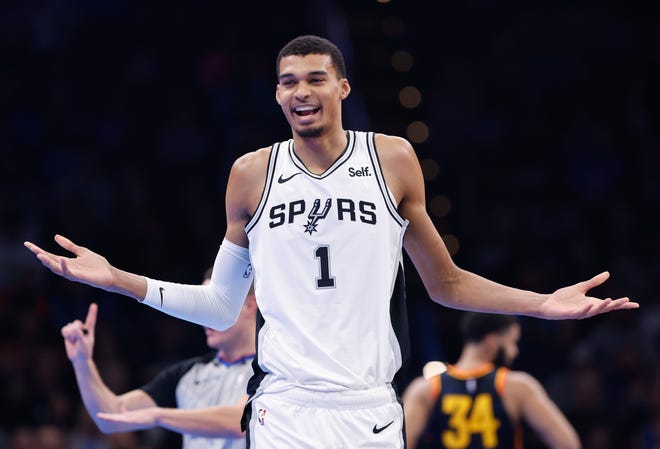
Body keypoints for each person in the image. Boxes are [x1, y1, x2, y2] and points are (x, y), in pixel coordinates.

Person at [25, 34, 638, 449]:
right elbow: (218, 304)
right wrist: (116, 279)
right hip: (284, 406)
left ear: (342, 88)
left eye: (316, 79)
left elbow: (445, 283)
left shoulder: (391, 158)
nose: (301, 92)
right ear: (275, 94)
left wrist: (542, 303)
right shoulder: (251, 174)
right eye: (288, 82)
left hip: (370, 405)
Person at [60, 269, 256, 449]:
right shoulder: (186, 375)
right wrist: (82, 362)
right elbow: (111, 416)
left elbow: (239, 422)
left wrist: (158, 416)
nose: (205, 317)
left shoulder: (273, 367)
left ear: (250, 305)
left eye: (215, 305)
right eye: (203, 307)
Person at [402, 312, 581, 449]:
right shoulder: (518, 387)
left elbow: (399, 444)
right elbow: (568, 444)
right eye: (512, 342)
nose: (514, 352)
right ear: (492, 342)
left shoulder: (424, 389)